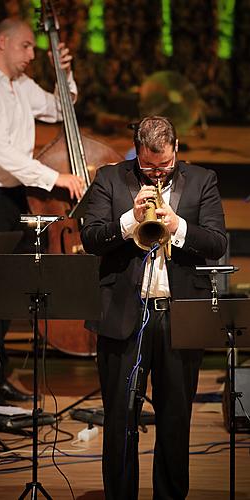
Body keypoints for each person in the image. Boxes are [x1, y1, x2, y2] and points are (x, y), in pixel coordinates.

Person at [81, 116, 227, 500]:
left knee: (176, 420)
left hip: (180, 318)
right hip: (122, 317)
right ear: (137, 152)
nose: (158, 174)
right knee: (118, 420)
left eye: (164, 166)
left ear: (177, 149)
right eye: (148, 167)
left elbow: (216, 242)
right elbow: (91, 238)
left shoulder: (202, 180)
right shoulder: (109, 179)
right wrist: (130, 220)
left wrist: (177, 225)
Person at [0, 18, 84, 405]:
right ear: (2, 42)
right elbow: (4, 156)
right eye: (26, 47)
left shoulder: (20, 86)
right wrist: (56, 177)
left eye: (33, 48)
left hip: (11, 196)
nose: (32, 55)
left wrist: (65, 74)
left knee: (8, 294)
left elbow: (63, 108)